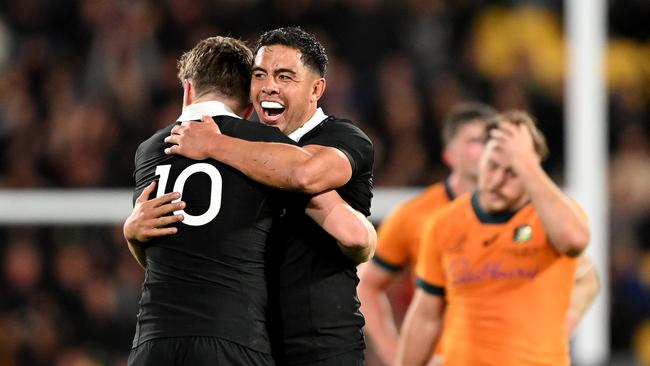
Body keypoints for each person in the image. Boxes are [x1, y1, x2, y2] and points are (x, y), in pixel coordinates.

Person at [123, 36, 376, 366]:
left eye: (284, 76)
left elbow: (305, 176)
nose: (269, 86)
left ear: (316, 90)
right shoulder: (256, 146)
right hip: (251, 341)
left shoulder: (341, 139)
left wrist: (215, 145)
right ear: (247, 100)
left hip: (319, 348)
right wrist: (133, 232)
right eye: (260, 75)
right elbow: (355, 236)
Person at [358, 104, 600, 365]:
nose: (497, 180)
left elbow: (581, 260)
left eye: (512, 172)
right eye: (492, 165)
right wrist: (398, 358)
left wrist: (557, 329)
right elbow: (424, 313)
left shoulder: (551, 217)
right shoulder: (438, 221)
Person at [357, 102, 496, 365]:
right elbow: (368, 287)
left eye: (492, 140)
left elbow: (583, 277)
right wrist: (398, 357)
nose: (487, 149)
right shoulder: (416, 215)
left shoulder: (524, 211)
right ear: (450, 154)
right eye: (476, 140)